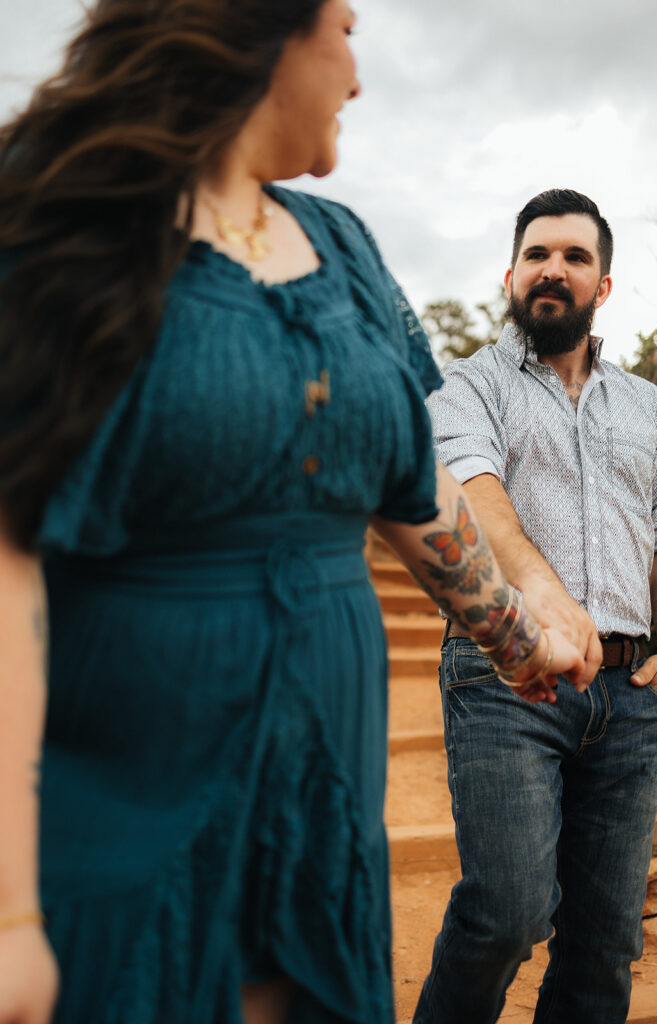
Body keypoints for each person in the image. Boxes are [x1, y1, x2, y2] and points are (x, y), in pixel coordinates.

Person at [0, 8, 591, 1024]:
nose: (357, 76)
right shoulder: (61, 222)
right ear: (262, 31)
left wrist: (514, 637)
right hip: (124, 813)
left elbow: (413, 488)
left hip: (322, 805)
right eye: (347, 31)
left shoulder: (344, 244)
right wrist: (10, 917)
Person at [415, 188, 657, 1024]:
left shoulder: (645, 404)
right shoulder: (469, 384)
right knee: (507, 911)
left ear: (602, 285)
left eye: (573, 257)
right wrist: (546, 600)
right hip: (504, 677)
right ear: (509, 274)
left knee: (605, 942)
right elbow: (470, 492)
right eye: (536, 254)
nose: (552, 270)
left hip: (631, 696)